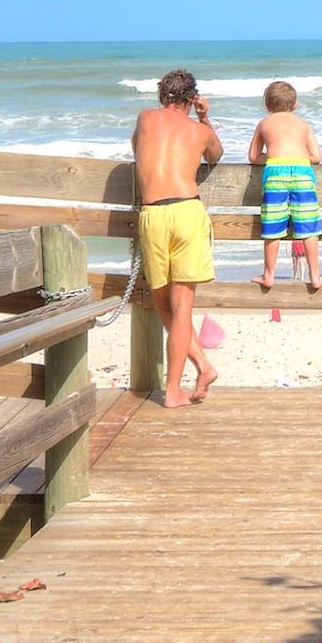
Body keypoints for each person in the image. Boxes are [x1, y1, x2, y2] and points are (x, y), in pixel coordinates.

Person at [131, 69, 222, 407]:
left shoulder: (144, 119)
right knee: (178, 306)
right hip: (186, 211)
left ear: (161, 96)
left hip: (153, 214)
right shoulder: (199, 130)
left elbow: (137, 149)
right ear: (191, 98)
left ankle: (177, 386)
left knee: (163, 303)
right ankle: (198, 369)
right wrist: (205, 116)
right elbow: (216, 154)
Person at [247, 80, 322, 291]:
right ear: (295, 105)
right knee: (308, 225)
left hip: (275, 172)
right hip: (302, 171)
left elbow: (253, 156)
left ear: (267, 105)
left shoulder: (264, 123)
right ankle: (315, 275)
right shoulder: (303, 124)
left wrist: (275, 157)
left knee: (273, 225)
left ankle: (269, 275)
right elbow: (317, 157)